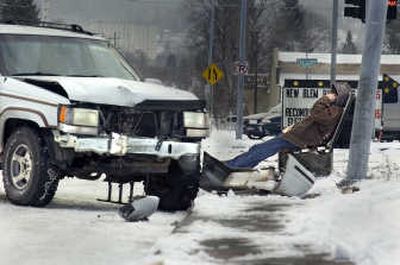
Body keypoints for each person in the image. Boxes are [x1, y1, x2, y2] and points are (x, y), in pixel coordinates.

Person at [225, 82, 351, 169]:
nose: (330, 94)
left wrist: (325, 99)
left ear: (339, 97)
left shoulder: (335, 111)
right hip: (296, 135)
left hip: (299, 138)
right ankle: (237, 164)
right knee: (258, 148)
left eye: (334, 93)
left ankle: (235, 166)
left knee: (264, 149)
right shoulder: (333, 110)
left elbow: (316, 113)